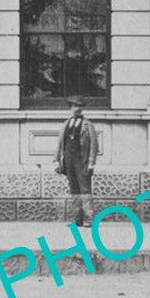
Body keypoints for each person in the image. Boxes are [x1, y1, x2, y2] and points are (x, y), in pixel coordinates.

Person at [55, 95, 98, 227]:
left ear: (82, 108)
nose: (76, 109)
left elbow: (94, 145)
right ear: (71, 108)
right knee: (74, 189)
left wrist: (91, 163)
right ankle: (77, 219)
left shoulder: (88, 124)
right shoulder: (66, 123)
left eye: (79, 106)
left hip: (82, 160)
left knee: (84, 189)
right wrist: (58, 160)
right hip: (68, 159)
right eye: (74, 106)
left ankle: (89, 218)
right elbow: (60, 143)